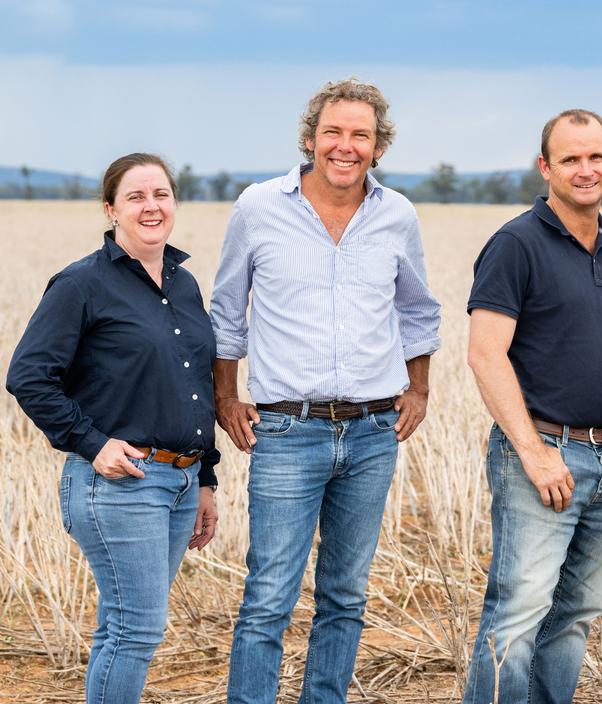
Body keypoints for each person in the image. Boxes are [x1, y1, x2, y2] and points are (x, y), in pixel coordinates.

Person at [210, 77, 442, 704]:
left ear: (378, 146)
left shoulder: (396, 215)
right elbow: (227, 310)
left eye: (360, 135)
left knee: (346, 596)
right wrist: (226, 397)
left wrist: (417, 388)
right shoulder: (258, 207)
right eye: (334, 133)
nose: (346, 146)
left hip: (372, 434)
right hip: (288, 430)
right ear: (311, 139)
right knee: (268, 598)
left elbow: (419, 311)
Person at [6, 153, 220, 703]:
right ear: (111, 208)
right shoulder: (82, 284)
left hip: (177, 483)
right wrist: (92, 443)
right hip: (120, 483)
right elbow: (28, 376)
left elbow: (193, 385)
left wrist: (205, 480)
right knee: (137, 629)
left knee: (124, 627)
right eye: (136, 197)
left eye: (161, 195)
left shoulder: (185, 283)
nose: (152, 206)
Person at [463, 108, 602, 704]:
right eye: (570, 159)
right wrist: (535, 454)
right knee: (518, 616)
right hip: (541, 457)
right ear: (546, 167)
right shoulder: (515, 244)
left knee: (574, 616)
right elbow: (484, 355)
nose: (585, 169)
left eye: (596, 156)